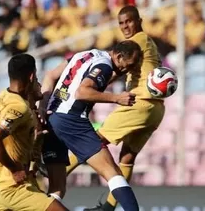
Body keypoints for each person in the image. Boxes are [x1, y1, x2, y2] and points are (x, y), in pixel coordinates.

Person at [66, 5, 165, 211]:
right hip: (155, 110)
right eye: (121, 23)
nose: (125, 26)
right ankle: (109, 208)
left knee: (93, 141)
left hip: (139, 103)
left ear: (139, 20)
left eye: (129, 21)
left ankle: (56, 171)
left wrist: (92, 88)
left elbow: (117, 71)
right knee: (127, 157)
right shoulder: (149, 42)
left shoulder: (135, 42)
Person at [39, 40, 143, 211]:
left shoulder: (85, 55)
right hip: (72, 120)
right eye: (128, 65)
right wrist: (117, 98)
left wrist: (42, 106)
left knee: (57, 189)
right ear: (118, 56)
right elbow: (82, 92)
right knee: (113, 174)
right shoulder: (105, 66)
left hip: (52, 120)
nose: (128, 70)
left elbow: (50, 75)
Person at [0, 54, 68, 211]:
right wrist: (15, 169)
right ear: (32, 76)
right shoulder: (19, 107)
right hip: (12, 187)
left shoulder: (2, 97)